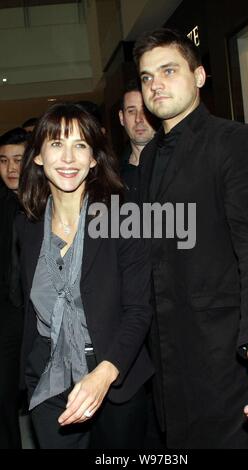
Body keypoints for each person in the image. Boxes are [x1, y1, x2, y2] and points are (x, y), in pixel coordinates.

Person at [133, 28, 248, 449]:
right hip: (167, 353)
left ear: (199, 76)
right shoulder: (147, 159)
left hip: (222, 350)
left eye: (168, 70)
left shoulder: (233, 141)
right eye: (146, 77)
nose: (155, 84)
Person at [16, 102, 153, 449]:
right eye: (57, 144)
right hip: (48, 376)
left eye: (80, 145)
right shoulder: (27, 226)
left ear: (93, 159)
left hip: (114, 374)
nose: (68, 157)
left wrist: (103, 374)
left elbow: (138, 310)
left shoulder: (123, 217)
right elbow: (28, 310)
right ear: (38, 156)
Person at [0, 127, 28, 448]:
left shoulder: (51, 200)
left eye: (18, 160)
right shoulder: (3, 204)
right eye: (4, 160)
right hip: (8, 313)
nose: (10, 168)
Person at [118, 80, 158, 203]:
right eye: (131, 111)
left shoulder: (178, 165)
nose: (138, 119)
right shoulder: (113, 175)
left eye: (145, 111)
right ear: (121, 118)